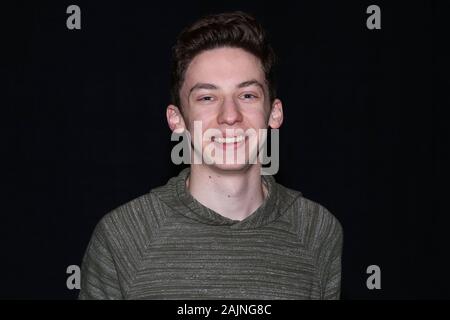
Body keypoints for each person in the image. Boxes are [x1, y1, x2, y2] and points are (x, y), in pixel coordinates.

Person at [78, 11, 343, 300]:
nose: (229, 116)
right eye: (207, 97)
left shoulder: (317, 229)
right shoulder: (122, 236)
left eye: (247, 95)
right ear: (177, 119)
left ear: (275, 113)